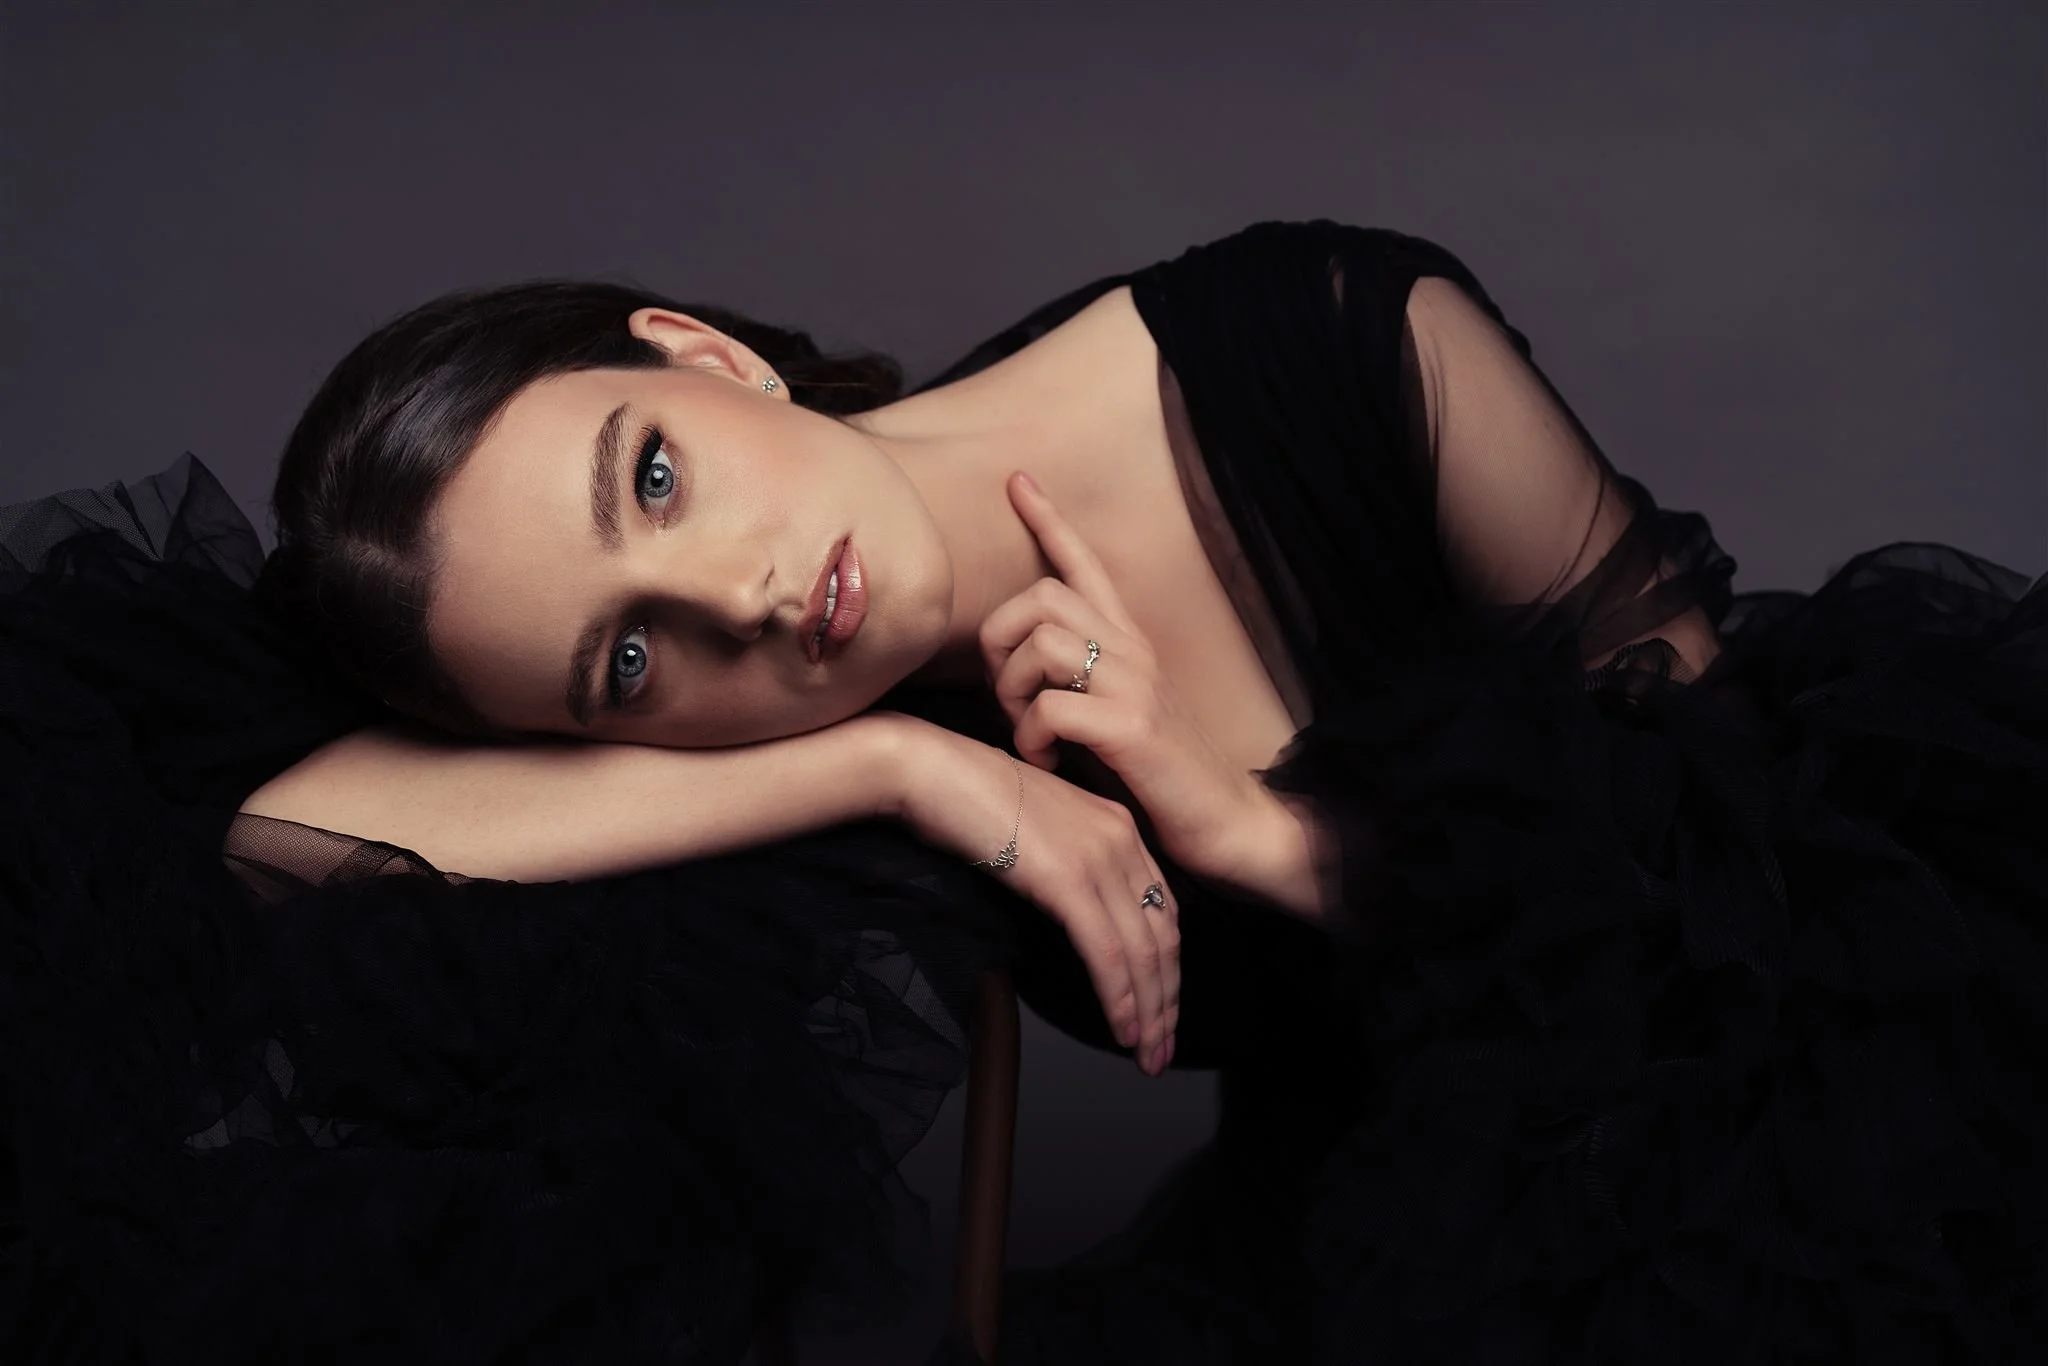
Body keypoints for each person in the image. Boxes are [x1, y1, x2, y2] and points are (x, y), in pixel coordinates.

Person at [1, 220, 2040, 1364]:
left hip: (1791, 1152)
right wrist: (910, 764)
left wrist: (1258, 837)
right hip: (1358, 1260)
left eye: (656, 477)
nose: (738, 601)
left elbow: (1761, 902)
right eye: (627, 659)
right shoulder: (814, 733)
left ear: (704, 354)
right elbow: (282, 828)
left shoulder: (1343, 346)